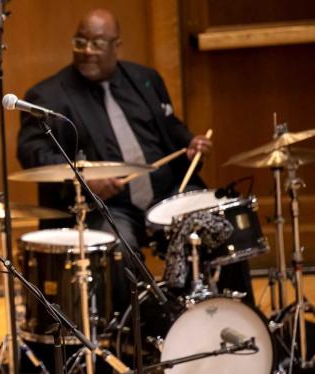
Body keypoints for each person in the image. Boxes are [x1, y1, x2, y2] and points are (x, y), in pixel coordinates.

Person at [16, 8, 252, 305]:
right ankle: (147, 330)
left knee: (225, 224)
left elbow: (170, 126)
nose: (87, 51)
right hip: (109, 207)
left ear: (117, 45)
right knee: (120, 247)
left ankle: (241, 315)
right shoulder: (49, 96)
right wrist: (84, 179)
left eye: (97, 44)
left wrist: (189, 141)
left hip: (169, 194)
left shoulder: (145, 79)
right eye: (80, 42)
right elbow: (32, 153)